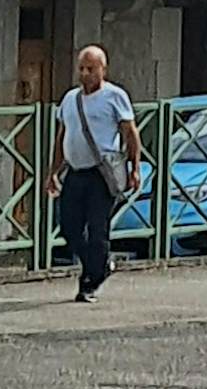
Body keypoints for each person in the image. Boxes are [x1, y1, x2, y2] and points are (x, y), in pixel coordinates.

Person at [52, 44, 141, 299]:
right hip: (76, 171)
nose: (85, 74)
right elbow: (62, 136)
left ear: (103, 69)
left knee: (97, 228)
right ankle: (99, 266)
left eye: (91, 68)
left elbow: (130, 133)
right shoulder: (70, 99)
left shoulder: (115, 96)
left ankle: (90, 281)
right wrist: (53, 171)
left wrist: (134, 168)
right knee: (68, 226)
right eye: (81, 68)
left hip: (101, 174)